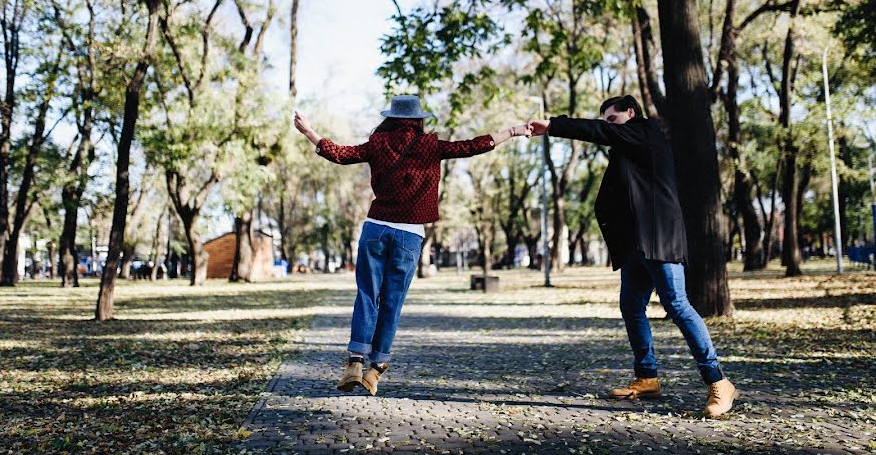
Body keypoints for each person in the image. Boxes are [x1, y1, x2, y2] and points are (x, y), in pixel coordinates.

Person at [294, 95, 531, 395]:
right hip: (410, 235)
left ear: (391, 118)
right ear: (418, 119)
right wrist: (512, 131)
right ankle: (375, 370)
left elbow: (341, 154)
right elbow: (473, 146)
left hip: (376, 228)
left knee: (367, 294)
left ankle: (354, 362)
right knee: (392, 302)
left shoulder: (378, 144)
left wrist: (310, 132)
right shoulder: (430, 146)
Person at [529, 95, 738, 417]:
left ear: (631, 112)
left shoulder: (645, 132)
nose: (610, 125)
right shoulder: (627, 148)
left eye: (613, 118)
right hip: (636, 246)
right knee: (631, 307)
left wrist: (555, 126)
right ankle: (647, 377)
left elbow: (602, 133)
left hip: (660, 240)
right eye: (607, 120)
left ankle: (719, 383)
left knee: (678, 305)